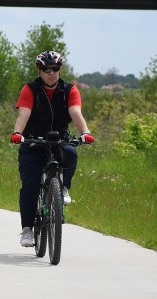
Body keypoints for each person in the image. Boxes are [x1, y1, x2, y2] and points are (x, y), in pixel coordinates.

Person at [10, 50, 94, 247]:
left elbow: (75, 112)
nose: (51, 73)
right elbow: (24, 114)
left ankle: (63, 188)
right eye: (46, 69)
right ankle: (27, 230)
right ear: (39, 70)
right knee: (30, 186)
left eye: (55, 69)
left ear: (59, 70)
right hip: (32, 142)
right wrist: (17, 133)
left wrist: (85, 132)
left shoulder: (69, 90)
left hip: (58, 140)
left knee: (71, 153)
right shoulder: (30, 89)